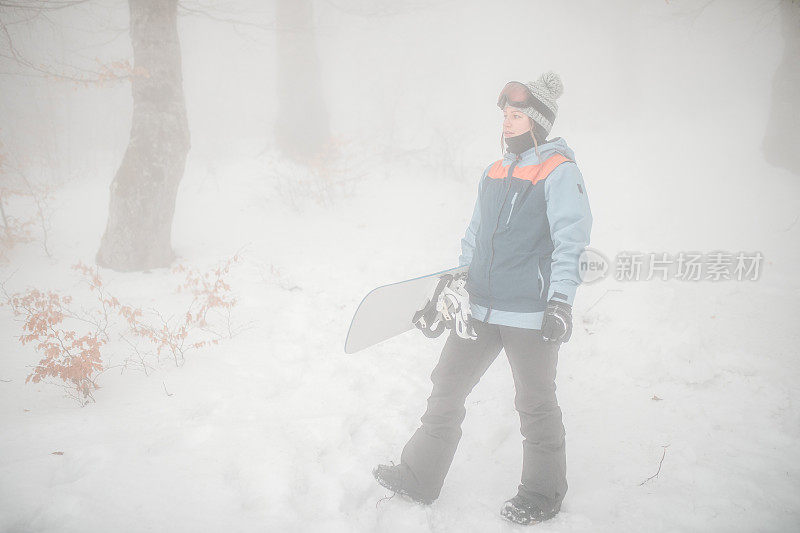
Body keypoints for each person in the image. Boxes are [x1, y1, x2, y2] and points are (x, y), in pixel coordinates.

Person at [373, 72, 593, 525]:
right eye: (505, 115)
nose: (507, 123)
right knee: (446, 386)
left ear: (538, 121)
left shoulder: (559, 171)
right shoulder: (494, 172)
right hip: (480, 306)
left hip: (531, 312)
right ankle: (419, 477)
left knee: (535, 403)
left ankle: (541, 494)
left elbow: (572, 240)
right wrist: (455, 283)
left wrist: (560, 302)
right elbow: (474, 236)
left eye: (516, 116)